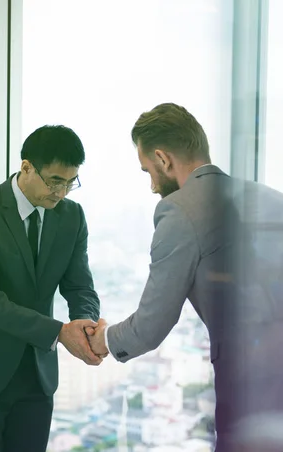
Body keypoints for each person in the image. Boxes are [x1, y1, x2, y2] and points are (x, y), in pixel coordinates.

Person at [86, 103, 283, 451]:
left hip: (251, 385)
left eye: (147, 170)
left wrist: (102, 339)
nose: (150, 186)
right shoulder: (269, 197)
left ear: (163, 159)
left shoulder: (177, 210)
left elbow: (151, 326)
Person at [0, 125, 102, 452]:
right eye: (55, 181)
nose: (62, 193)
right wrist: (59, 331)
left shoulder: (72, 216)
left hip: (37, 373)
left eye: (71, 183)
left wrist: (85, 324)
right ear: (26, 167)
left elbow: (80, 285)